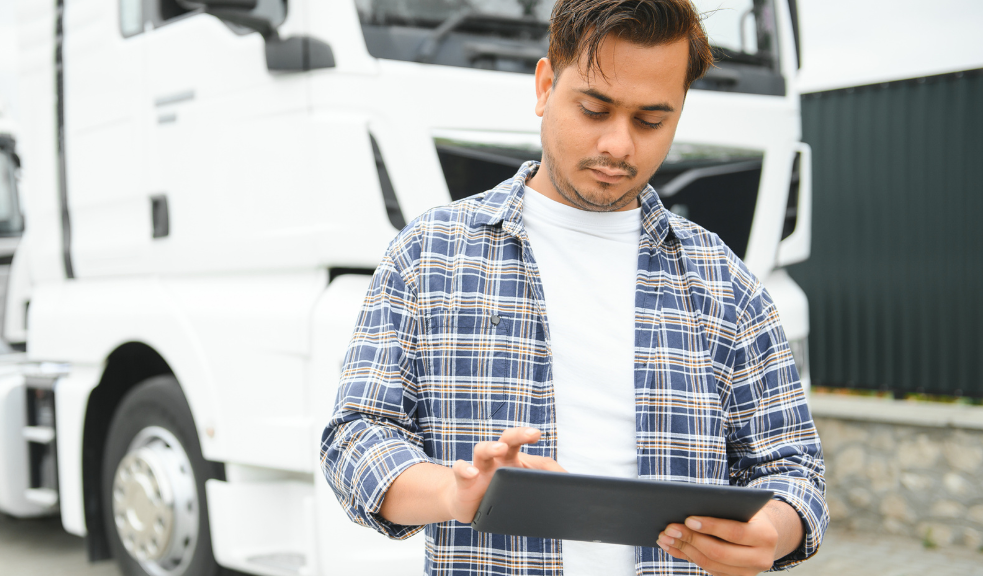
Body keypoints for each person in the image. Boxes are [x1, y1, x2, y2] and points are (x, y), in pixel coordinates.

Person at [320, 0, 828, 574]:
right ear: (544, 87)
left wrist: (774, 530)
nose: (619, 145)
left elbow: (795, 472)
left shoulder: (725, 280)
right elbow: (356, 438)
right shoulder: (428, 254)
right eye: (594, 109)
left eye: (651, 121)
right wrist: (452, 493)